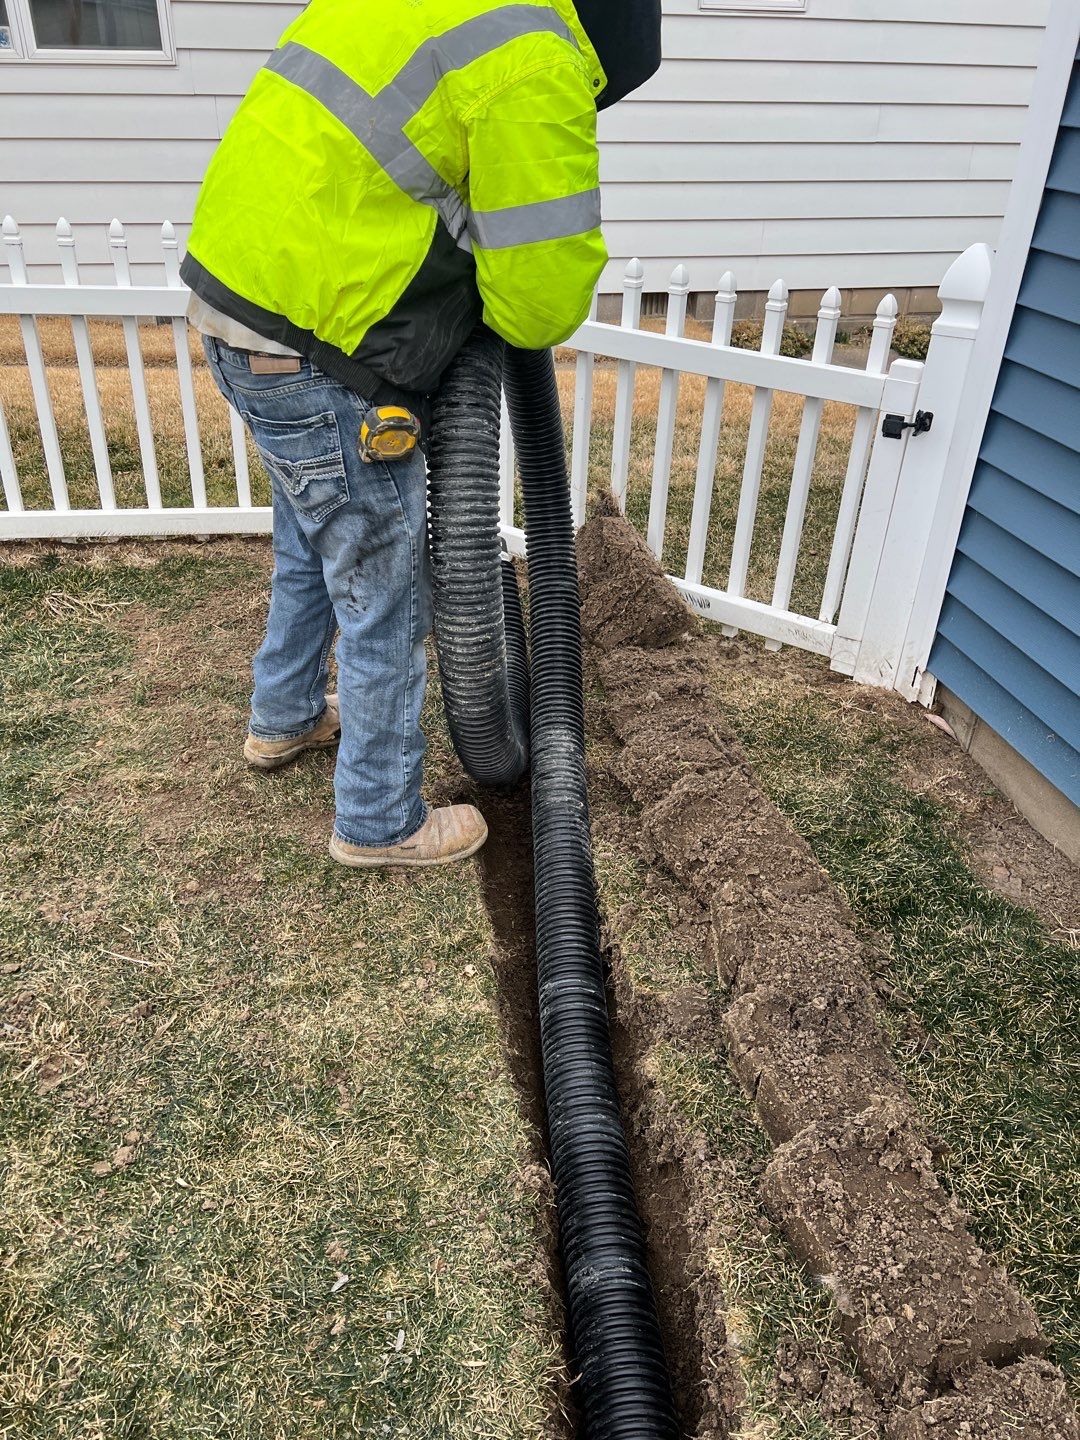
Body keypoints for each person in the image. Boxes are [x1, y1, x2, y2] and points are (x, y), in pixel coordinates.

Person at [183, 0, 661, 870]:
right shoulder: (534, 57)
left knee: (313, 539)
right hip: (328, 345)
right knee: (386, 594)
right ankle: (377, 821)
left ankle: (282, 719)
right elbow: (541, 298)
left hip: (238, 311)